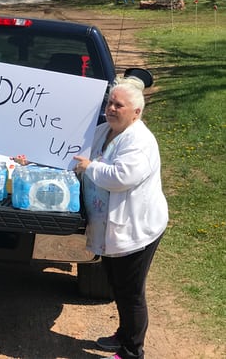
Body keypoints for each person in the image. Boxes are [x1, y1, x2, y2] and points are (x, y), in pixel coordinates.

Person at [73, 76, 168, 359]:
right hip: (113, 225)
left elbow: (122, 178)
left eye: (119, 105)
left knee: (131, 291)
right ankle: (124, 334)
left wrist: (90, 168)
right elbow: (73, 154)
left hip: (137, 229)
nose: (111, 108)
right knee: (117, 284)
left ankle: (132, 351)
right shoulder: (104, 131)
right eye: (110, 103)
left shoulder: (139, 141)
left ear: (136, 112)